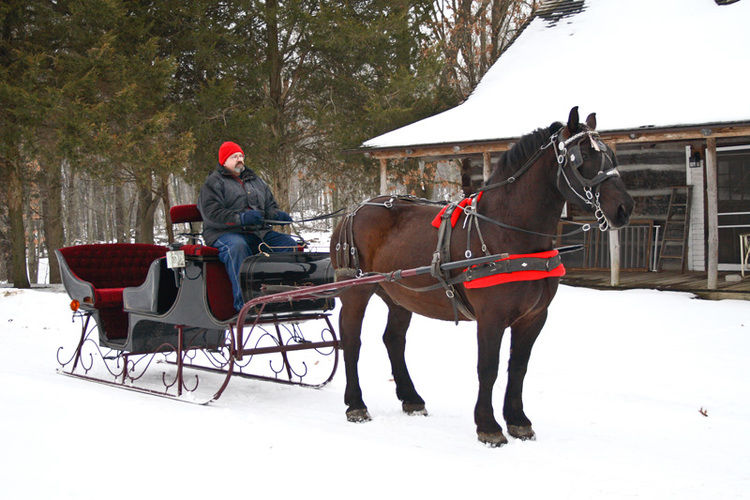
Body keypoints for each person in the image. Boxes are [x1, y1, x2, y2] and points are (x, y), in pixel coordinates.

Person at [197, 141, 296, 312]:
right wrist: (240, 218)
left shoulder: (256, 180)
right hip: (224, 233)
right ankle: (244, 304)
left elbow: (269, 206)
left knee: (288, 244)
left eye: (241, 156)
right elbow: (211, 213)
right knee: (237, 247)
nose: (239, 160)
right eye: (234, 157)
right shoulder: (213, 182)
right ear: (224, 161)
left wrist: (276, 215)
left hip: (258, 232)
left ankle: (284, 298)